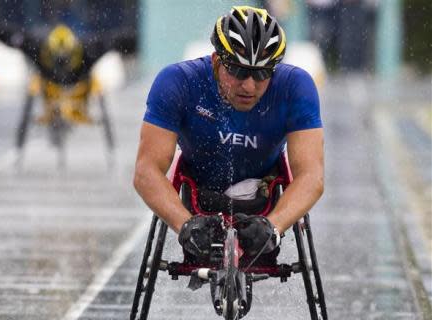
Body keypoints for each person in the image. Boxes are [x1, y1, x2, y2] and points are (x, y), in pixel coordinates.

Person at [133, 6, 324, 261]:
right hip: (200, 193)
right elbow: (146, 171)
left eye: (261, 73)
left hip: (263, 196)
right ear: (215, 61)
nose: (249, 85)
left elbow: (312, 176)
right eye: (237, 70)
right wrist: (185, 224)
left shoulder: (296, 87)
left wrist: (274, 226)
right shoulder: (177, 82)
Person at [0, 23, 109, 122]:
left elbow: (114, 41)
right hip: (50, 87)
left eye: (65, 58)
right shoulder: (38, 48)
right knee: (35, 81)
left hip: (78, 89)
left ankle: (80, 108)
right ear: (49, 50)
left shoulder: (88, 50)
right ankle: (52, 108)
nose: (62, 63)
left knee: (95, 80)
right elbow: (16, 38)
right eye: (57, 58)